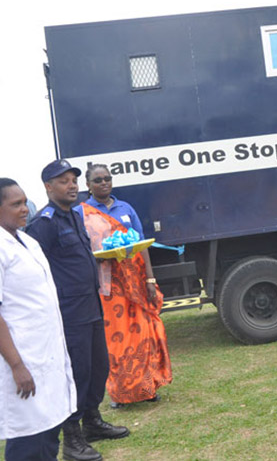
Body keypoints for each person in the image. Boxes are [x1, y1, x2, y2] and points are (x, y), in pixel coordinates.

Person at [25, 160, 129, 461]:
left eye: (73, 180)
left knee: (99, 368)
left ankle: (92, 422)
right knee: (77, 373)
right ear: (48, 187)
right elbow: (33, 270)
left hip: (91, 306)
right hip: (69, 313)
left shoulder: (74, 216)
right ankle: (72, 440)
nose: (71, 185)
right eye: (63, 181)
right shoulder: (43, 224)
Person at [0, 178, 76, 460]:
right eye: (16, 204)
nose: (25, 209)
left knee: (49, 432)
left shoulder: (28, 242)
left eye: (25, 202)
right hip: (19, 359)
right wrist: (17, 366)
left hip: (44, 355)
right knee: (28, 441)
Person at [78, 164, 172, 408]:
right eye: (98, 180)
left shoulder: (126, 208)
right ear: (88, 185)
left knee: (142, 336)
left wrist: (149, 279)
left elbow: (142, 245)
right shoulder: (82, 213)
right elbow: (81, 251)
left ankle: (147, 387)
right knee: (116, 341)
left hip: (135, 281)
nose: (104, 183)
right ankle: (120, 393)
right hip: (108, 287)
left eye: (107, 179)